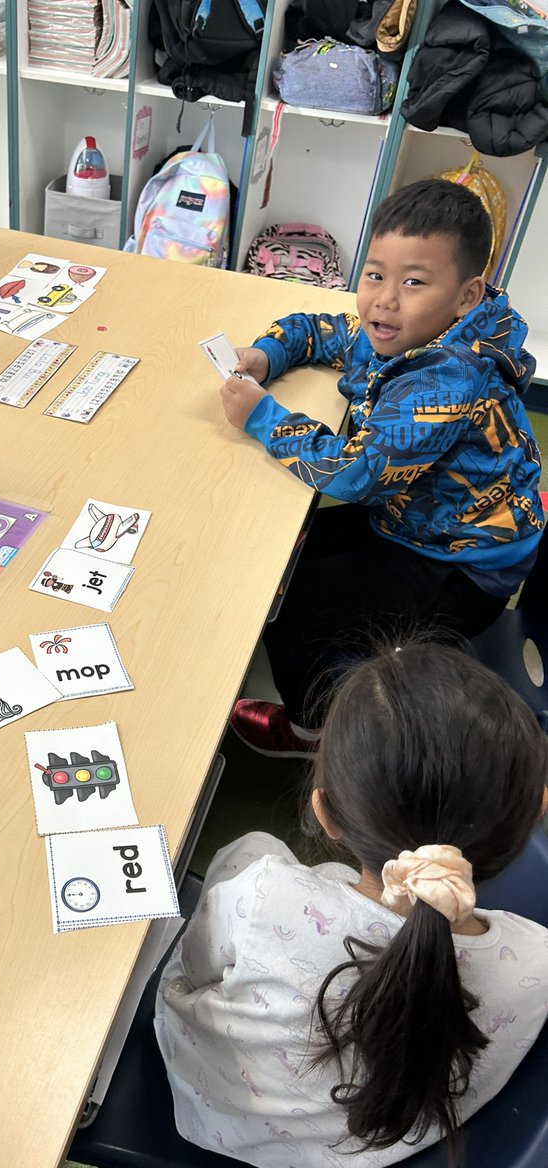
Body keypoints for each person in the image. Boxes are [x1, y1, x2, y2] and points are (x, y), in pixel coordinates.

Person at [155, 641, 548, 1168]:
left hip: (215, 1115)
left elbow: (197, 971)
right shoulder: (538, 959)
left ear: (325, 813)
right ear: (534, 814)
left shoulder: (266, 897)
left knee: (252, 848)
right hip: (365, 1158)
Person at [220, 179, 544, 757]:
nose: (384, 300)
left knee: (299, 603)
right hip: (415, 524)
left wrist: (265, 419)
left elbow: (357, 477)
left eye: (414, 282)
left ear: (467, 296)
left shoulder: (447, 378)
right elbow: (325, 329)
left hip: (461, 566)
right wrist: (268, 352)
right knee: (284, 553)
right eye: (374, 275)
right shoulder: (407, 328)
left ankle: (313, 730)